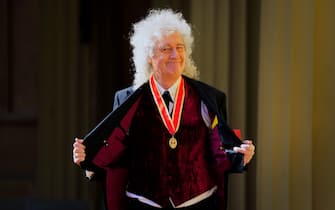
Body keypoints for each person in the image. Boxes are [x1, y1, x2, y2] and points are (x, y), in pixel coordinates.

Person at [73, 8, 255, 210]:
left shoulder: (209, 98)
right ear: (149, 56)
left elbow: (217, 151)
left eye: (180, 47)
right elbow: (116, 154)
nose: (175, 55)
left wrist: (239, 155)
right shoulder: (127, 99)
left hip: (199, 203)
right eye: (166, 49)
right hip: (143, 205)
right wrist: (87, 157)